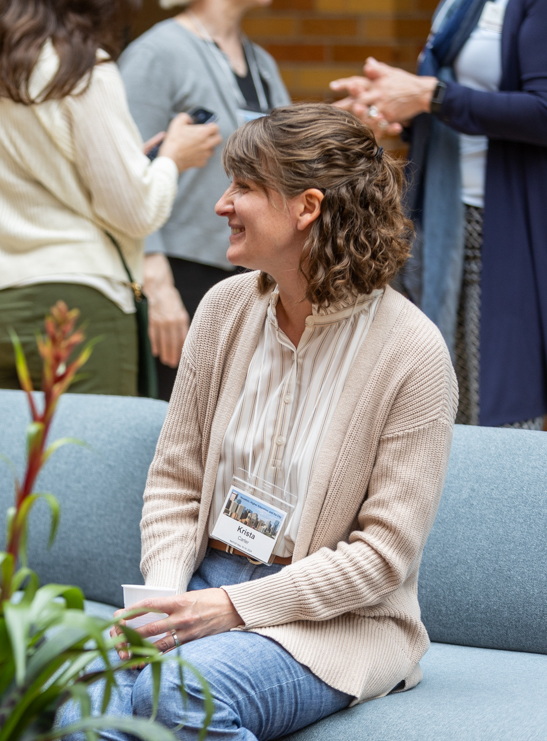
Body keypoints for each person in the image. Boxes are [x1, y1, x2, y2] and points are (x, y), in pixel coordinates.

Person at [57, 104, 458, 740]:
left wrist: (234, 608)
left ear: (307, 208)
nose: (222, 204)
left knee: (184, 693)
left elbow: (384, 557)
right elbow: (175, 483)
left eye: (244, 187)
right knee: (81, 696)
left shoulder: (413, 352)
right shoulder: (222, 310)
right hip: (203, 581)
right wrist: (166, 605)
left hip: (334, 620)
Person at [0, 0, 220, 397]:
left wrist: (140, 161)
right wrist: (173, 158)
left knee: (17, 467)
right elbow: (135, 213)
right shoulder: (83, 67)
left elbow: (44, 172)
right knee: (94, 466)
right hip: (77, 306)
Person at [330, 0, 547, 428]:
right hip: (447, 217)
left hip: (505, 225)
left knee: (496, 416)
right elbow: (459, 107)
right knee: (452, 408)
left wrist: (431, 96)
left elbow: (542, 110)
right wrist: (400, 111)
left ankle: (500, 507)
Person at [118, 0, 290, 400]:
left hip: (251, 281)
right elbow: (125, 178)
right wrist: (157, 287)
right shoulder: (157, 53)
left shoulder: (262, 65)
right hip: (180, 281)